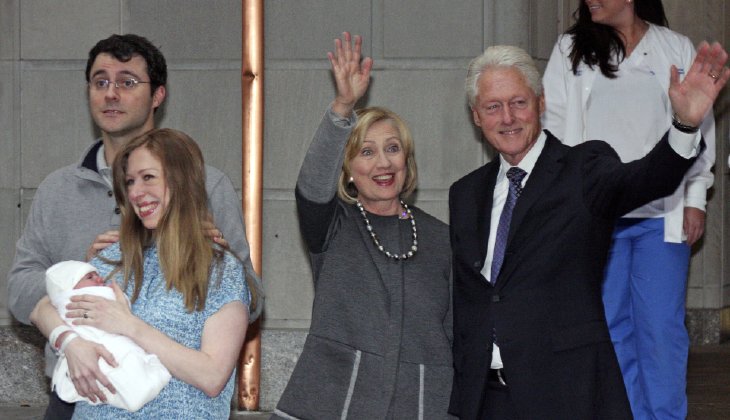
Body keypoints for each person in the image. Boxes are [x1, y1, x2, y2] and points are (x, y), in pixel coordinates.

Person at [448, 43, 728, 419]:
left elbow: (645, 179)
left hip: (568, 394)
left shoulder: (583, 169)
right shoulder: (465, 194)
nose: (508, 117)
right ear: (476, 116)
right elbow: (469, 300)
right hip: (487, 399)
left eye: (519, 102)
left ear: (541, 102)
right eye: (493, 107)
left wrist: (684, 126)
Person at [6, 34, 260, 419]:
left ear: (158, 95)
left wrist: (202, 256)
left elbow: (246, 299)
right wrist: (81, 277)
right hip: (81, 388)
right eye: (100, 82)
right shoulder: (57, 189)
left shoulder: (209, 186)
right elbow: (22, 288)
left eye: (127, 82)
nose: (111, 94)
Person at [541, 2, 716, 416]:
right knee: (610, 328)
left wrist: (695, 197)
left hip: (662, 214)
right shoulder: (569, 48)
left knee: (661, 331)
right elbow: (553, 127)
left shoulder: (675, 47)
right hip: (596, 215)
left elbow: (698, 123)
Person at [272, 32, 453, 419]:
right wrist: (343, 107)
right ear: (349, 171)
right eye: (366, 152)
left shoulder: (441, 238)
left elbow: (456, 335)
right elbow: (311, 185)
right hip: (333, 405)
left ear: (406, 161)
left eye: (393, 148)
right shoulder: (333, 226)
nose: (383, 163)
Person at [31, 128, 257, 419]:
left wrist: (129, 325)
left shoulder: (220, 271)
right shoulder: (112, 258)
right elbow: (43, 308)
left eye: (148, 177)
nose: (136, 192)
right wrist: (69, 342)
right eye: (130, 181)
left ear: (181, 181)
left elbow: (212, 377)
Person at [45, 260, 171, 412]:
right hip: (95, 352)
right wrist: (69, 341)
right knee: (116, 369)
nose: (100, 279)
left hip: (109, 346)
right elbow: (40, 310)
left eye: (97, 275)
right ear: (68, 286)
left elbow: (121, 314)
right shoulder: (71, 300)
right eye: (90, 277)